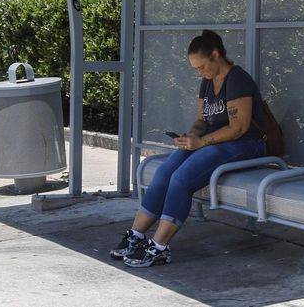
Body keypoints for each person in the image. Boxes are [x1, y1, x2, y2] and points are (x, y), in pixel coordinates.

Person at [110, 29, 267, 268]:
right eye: (196, 68)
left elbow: (239, 127)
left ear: (215, 55)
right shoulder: (207, 82)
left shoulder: (237, 79)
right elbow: (203, 120)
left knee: (182, 178)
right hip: (216, 142)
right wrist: (190, 136)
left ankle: (160, 247)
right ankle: (137, 236)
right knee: (165, 171)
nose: (200, 72)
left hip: (247, 144)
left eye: (202, 66)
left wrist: (201, 142)